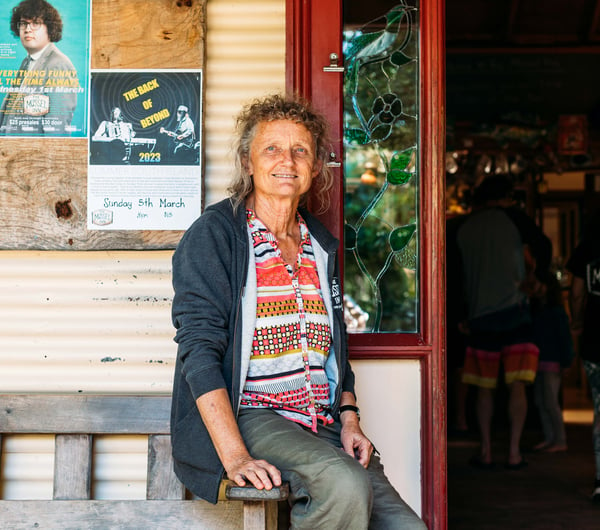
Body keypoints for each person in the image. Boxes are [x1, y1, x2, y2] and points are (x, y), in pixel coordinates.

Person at [170, 94, 426, 529]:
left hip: (317, 418)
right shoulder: (217, 235)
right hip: (251, 413)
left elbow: (333, 349)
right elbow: (199, 350)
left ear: (313, 167)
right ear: (248, 162)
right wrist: (234, 455)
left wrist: (349, 419)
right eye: (271, 148)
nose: (286, 160)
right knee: (344, 485)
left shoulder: (319, 244)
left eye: (300, 150)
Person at [451, 174, 552, 470]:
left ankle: (485, 451)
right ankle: (514, 452)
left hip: (479, 317)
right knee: (517, 385)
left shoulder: (462, 227)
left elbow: (454, 276)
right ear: (507, 196)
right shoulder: (517, 220)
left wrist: (460, 316)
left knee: (484, 387)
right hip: (516, 314)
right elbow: (544, 247)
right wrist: (537, 278)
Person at [0, 0, 79, 136]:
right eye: (24, 23)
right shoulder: (27, 62)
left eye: (35, 23)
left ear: (50, 28)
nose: (28, 29)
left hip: (34, 155)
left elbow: (57, 131)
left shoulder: (59, 65)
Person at [566, 209, 600, 502]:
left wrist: (577, 321)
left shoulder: (587, 249)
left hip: (595, 341)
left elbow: (577, 293)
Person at [530, 272, 574, 453]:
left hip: (551, 361)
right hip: (539, 361)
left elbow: (564, 338)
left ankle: (560, 439)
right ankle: (550, 437)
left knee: (550, 401)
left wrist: (566, 361)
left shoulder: (555, 312)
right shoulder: (539, 310)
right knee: (541, 401)